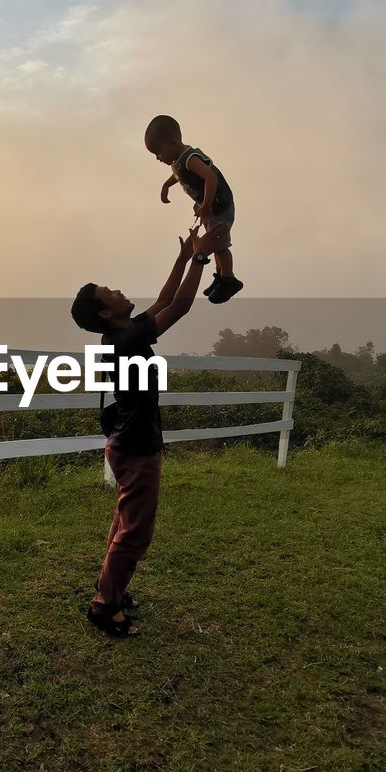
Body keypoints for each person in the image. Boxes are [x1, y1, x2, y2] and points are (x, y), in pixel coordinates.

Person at [70, 222, 226, 638]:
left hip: (124, 443)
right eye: (111, 292)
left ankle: (111, 589)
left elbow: (162, 300)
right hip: (136, 447)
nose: (118, 290)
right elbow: (179, 307)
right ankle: (105, 606)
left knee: (124, 523)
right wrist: (200, 257)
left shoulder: (122, 335)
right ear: (106, 311)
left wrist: (182, 257)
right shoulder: (128, 340)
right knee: (135, 533)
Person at [145, 113, 243, 304]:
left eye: (158, 152)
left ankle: (229, 279)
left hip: (218, 206)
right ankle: (220, 276)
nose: (158, 158)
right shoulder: (178, 161)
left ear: (172, 142)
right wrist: (166, 185)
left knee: (219, 245)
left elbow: (211, 177)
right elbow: (178, 175)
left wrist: (206, 205)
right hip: (208, 207)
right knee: (211, 243)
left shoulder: (190, 158)